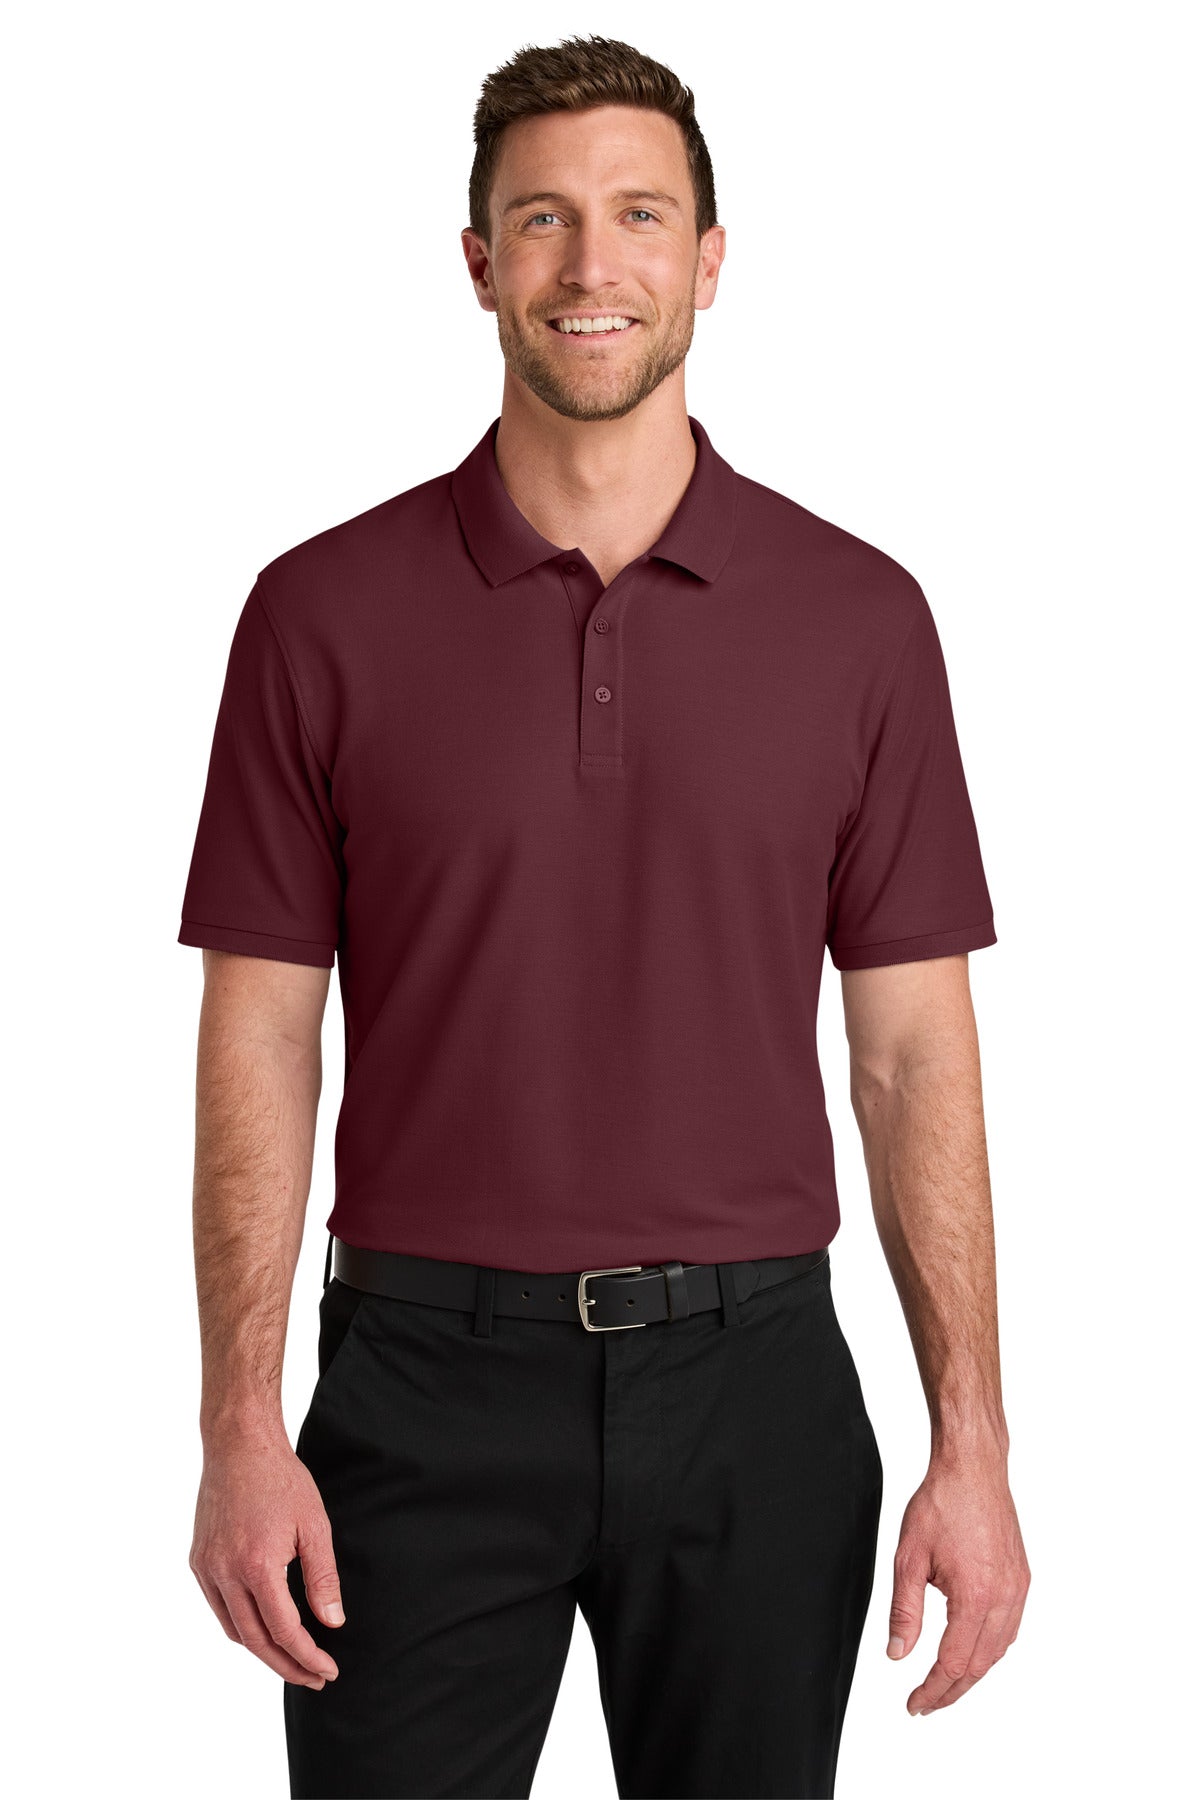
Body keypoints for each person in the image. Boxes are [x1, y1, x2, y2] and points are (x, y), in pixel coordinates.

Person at [180, 32, 1029, 1800]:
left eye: (641, 214)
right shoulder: (316, 614)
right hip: (416, 1388)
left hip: (759, 1388)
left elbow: (909, 1059)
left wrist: (977, 1443)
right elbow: (262, 1033)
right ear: (478, 261)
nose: (592, 263)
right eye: (542, 218)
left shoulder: (862, 620)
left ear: (710, 262)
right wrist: (238, 1426)